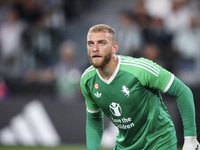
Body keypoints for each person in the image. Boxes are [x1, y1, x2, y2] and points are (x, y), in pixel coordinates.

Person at [80, 24, 199, 150]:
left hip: (159, 142)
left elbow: (183, 91)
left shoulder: (140, 70)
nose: (95, 49)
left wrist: (190, 139)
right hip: (125, 145)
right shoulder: (87, 80)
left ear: (114, 48)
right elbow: (94, 119)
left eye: (102, 43)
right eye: (90, 43)